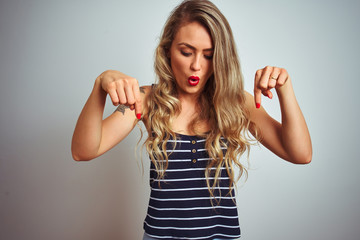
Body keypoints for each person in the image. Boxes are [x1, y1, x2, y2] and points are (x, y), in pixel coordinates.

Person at [71, 0, 312, 239]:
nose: (196, 65)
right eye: (186, 52)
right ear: (167, 50)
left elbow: (300, 154)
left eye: (208, 55)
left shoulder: (237, 102)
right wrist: (99, 86)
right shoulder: (147, 100)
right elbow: (83, 151)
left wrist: (285, 88)